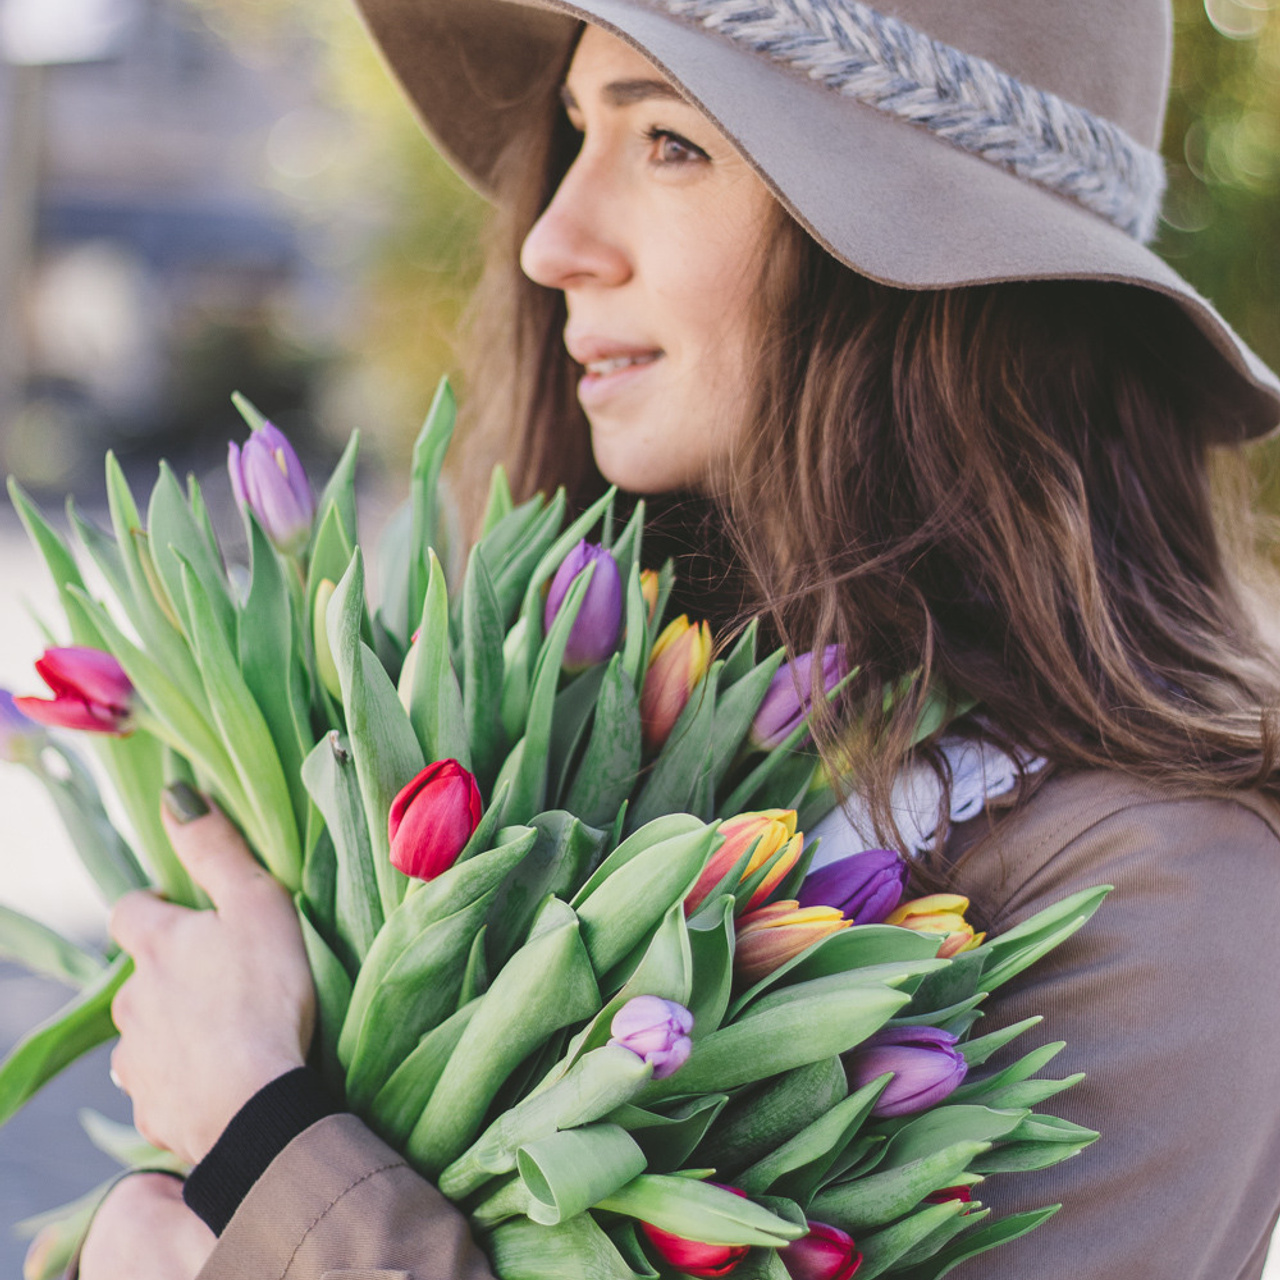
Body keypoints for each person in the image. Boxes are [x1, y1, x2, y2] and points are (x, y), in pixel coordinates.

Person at [74, 1, 1280, 1278]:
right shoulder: (569, 713)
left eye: (669, 143)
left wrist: (264, 1135)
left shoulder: (1176, 894)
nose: (550, 241)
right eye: (574, 129)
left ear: (919, 256)